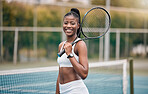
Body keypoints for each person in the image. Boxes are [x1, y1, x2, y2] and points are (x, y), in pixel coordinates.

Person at [56, 8, 89, 94]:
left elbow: (84, 74)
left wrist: (70, 54)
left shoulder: (80, 45)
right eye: (66, 23)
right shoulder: (61, 45)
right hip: (63, 90)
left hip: (76, 90)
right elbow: (60, 73)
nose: (68, 26)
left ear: (78, 26)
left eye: (72, 23)